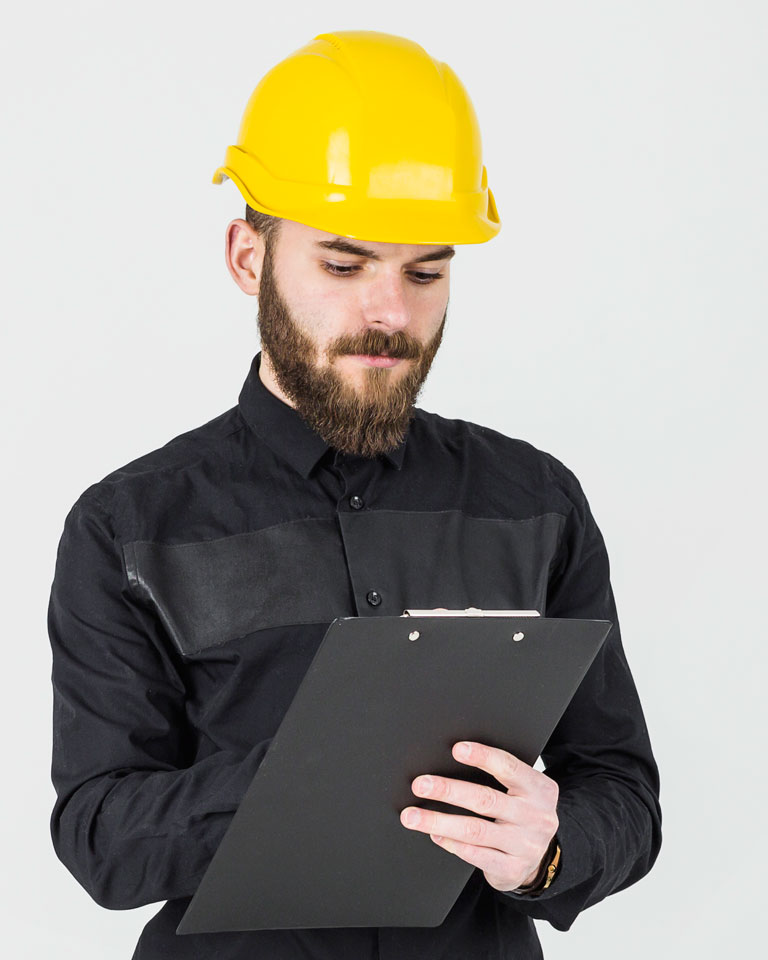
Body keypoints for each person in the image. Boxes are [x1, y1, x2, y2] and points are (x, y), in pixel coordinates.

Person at [48, 29, 661, 960]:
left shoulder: (536, 503)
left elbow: (622, 791)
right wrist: (319, 772)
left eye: (426, 272)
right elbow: (100, 836)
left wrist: (548, 851)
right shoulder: (128, 528)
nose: (390, 314)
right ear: (248, 258)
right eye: (344, 265)